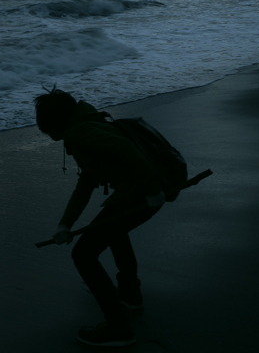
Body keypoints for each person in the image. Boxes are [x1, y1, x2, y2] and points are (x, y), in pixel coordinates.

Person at [35, 88, 165, 347]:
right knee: (114, 231)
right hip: (139, 191)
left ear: (53, 124)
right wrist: (65, 224)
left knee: (83, 255)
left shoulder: (81, 133)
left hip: (145, 192)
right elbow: (86, 183)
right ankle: (130, 295)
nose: (49, 136)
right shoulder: (88, 123)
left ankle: (118, 327)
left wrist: (153, 189)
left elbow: (125, 148)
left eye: (47, 129)